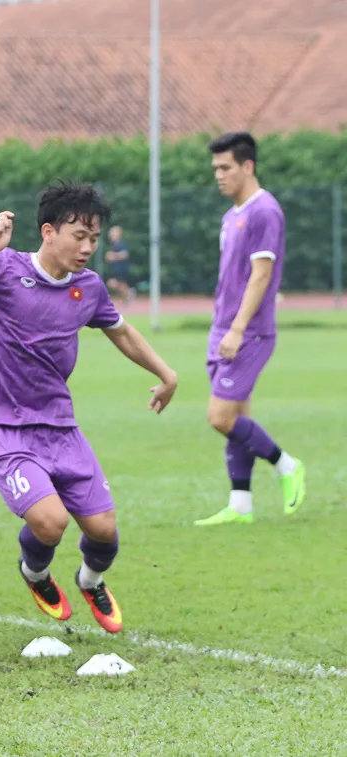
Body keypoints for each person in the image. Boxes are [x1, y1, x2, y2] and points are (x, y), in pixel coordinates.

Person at [0, 181, 177, 632]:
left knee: (104, 532)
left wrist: (165, 373)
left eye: (94, 238)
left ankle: (90, 580)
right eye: (79, 236)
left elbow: (121, 331)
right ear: (47, 231)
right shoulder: (1, 268)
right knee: (51, 522)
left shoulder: (89, 287)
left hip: (60, 428)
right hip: (4, 428)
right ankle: (35, 572)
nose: (87, 247)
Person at [194, 132, 306, 526]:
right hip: (223, 327)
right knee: (237, 417)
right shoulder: (232, 215)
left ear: (248, 166)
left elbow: (261, 275)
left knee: (221, 417)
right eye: (215, 169)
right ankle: (241, 503)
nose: (219, 176)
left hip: (249, 332)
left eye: (225, 168)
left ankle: (287, 465)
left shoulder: (264, 212)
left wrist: (238, 329)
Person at [105, 226, 135, 305]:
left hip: (122, 269)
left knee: (115, 283)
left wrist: (113, 256)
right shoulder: (114, 245)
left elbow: (125, 254)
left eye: (112, 232)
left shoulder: (121, 243)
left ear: (118, 234)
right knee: (115, 284)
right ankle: (128, 295)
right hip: (116, 269)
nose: (110, 234)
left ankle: (128, 294)